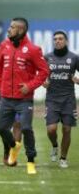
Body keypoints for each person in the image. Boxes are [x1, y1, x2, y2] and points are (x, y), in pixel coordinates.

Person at [0, 17, 49, 174]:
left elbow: (44, 71)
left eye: (12, 27)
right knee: (0, 129)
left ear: (21, 30)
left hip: (24, 100)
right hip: (6, 98)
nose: (9, 30)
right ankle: (14, 145)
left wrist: (30, 86)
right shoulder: (4, 46)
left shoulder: (33, 49)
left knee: (26, 127)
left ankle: (30, 160)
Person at [43, 30, 79, 168]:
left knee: (67, 129)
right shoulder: (47, 57)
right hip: (52, 98)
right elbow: (40, 75)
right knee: (51, 129)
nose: (57, 41)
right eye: (55, 39)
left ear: (66, 41)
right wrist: (43, 83)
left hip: (68, 99)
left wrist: (78, 81)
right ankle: (54, 145)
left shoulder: (74, 58)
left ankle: (63, 158)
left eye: (60, 39)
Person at [0, 44, 22, 166]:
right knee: (5, 126)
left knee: (18, 123)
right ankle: (6, 152)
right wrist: (3, 71)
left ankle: (13, 156)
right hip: (1, 93)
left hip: (19, 93)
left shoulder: (25, 51)